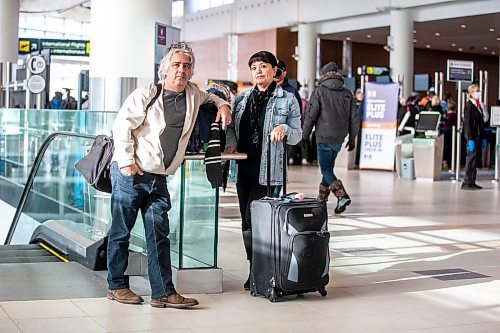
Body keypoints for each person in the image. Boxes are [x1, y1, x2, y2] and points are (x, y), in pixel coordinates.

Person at [107, 41, 231, 308]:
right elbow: (121, 127)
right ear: (165, 69)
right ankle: (116, 285)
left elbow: (214, 96)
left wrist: (224, 107)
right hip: (131, 174)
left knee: (158, 235)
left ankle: (163, 291)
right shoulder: (147, 93)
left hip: (158, 178)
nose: (181, 70)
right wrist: (127, 162)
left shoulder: (193, 94)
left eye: (186, 66)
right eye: (176, 65)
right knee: (121, 232)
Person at [225, 51, 302, 290]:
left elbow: (297, 135)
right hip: (243, 169)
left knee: (257, 220)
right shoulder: (242, 98)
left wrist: (283, 128)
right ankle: (254, 267)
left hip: (268, 171)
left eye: (263, 66)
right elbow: (231, 130)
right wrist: (230, 141)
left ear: (274, 70)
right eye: (254, 67)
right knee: (246, 222)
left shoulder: (287, 99)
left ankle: (260, 270)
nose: (258, 71)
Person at [302, 61, 359, 214]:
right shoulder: (347, 93)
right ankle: (321, 200)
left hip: (323, 136)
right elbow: (354, 118)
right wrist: (352, 138)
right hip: (339, 137)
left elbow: (310, 116)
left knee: (326, 168)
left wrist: (305, 135)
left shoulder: (319, 91)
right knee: (328, 168)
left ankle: (342, 195)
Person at [461, 83, 487, 190]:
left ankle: (472, 181)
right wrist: (469, 138)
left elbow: (481, 122)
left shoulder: (478, 105)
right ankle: (467, 182)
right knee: (470, 159)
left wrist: (484, 136)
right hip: (472, 136)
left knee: (475, 159)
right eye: (477, 91)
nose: (479, 93)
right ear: (471, 93)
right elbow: (467, 122)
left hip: (478, 135)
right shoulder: (469, 106)